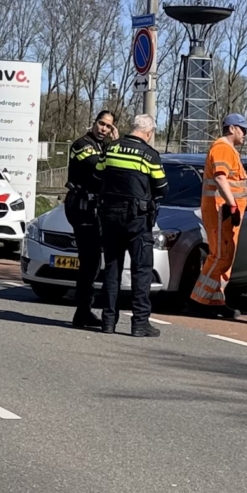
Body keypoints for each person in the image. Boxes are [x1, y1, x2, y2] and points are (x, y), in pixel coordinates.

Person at [92, 113, 168, 336]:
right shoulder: (149, 155)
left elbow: (98, 176)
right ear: (149, 132)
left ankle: (108, 322)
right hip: (137, 220)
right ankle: (140, 323)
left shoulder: (111, 148)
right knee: (141, 270)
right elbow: (162, 187)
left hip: (109, 216)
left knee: (112, 269)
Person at [64, 110, 118, 331]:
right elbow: (98, 168)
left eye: (108, 126)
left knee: (93, 261)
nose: (103, 129)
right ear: (94, 122)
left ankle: (85, 310)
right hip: (81, 205)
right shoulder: (82, 144)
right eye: (101, 124)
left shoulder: (103, 146)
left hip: (94, 207)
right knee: (90, 260)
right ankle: (82, 312)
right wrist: (115, 147)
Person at [192, 114, 247, 308]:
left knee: (225, 256)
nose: (245, 133)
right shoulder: (223, 148)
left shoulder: (229, 149)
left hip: (226, 210)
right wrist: (233, 204)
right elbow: (220, 178)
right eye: (243, 129)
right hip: (221, 210)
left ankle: (216, 300)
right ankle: (200, 300)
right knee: (219, 255)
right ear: (232, 128)